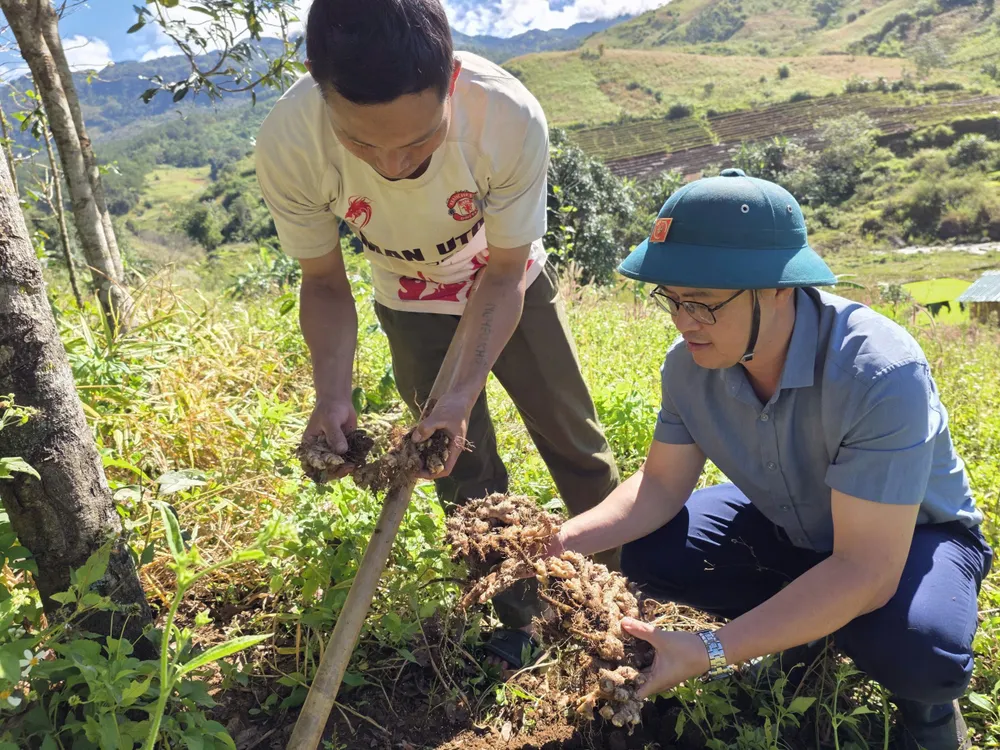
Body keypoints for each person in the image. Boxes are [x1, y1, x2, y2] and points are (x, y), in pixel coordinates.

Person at [545, 168, 991, 750]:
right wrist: (556, 542)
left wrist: (711, 649)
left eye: (703, 304)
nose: (683, 322)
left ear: (780, 287)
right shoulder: (690, 364)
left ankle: (929, 717)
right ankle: (793, 638)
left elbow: (865, 569)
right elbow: (657, 488)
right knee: (654, 551)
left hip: (910, 539)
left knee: (922, 649)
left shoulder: (878, 370)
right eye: (672, 300)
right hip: (788, 517)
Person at [254, 0, 619, 664]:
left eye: (418, 142)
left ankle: (614, 595)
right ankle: (516, 622)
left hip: (511, 282)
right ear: (318, 83)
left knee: (575, 443)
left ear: (450, 78)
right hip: (410, 300)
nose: (391, 166)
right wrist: (333, 397)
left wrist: (461, 390)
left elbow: (504, 274)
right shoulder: (290, 142)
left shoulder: (504, 117)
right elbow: (326, 282)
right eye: (362, 144)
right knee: (457, 465)